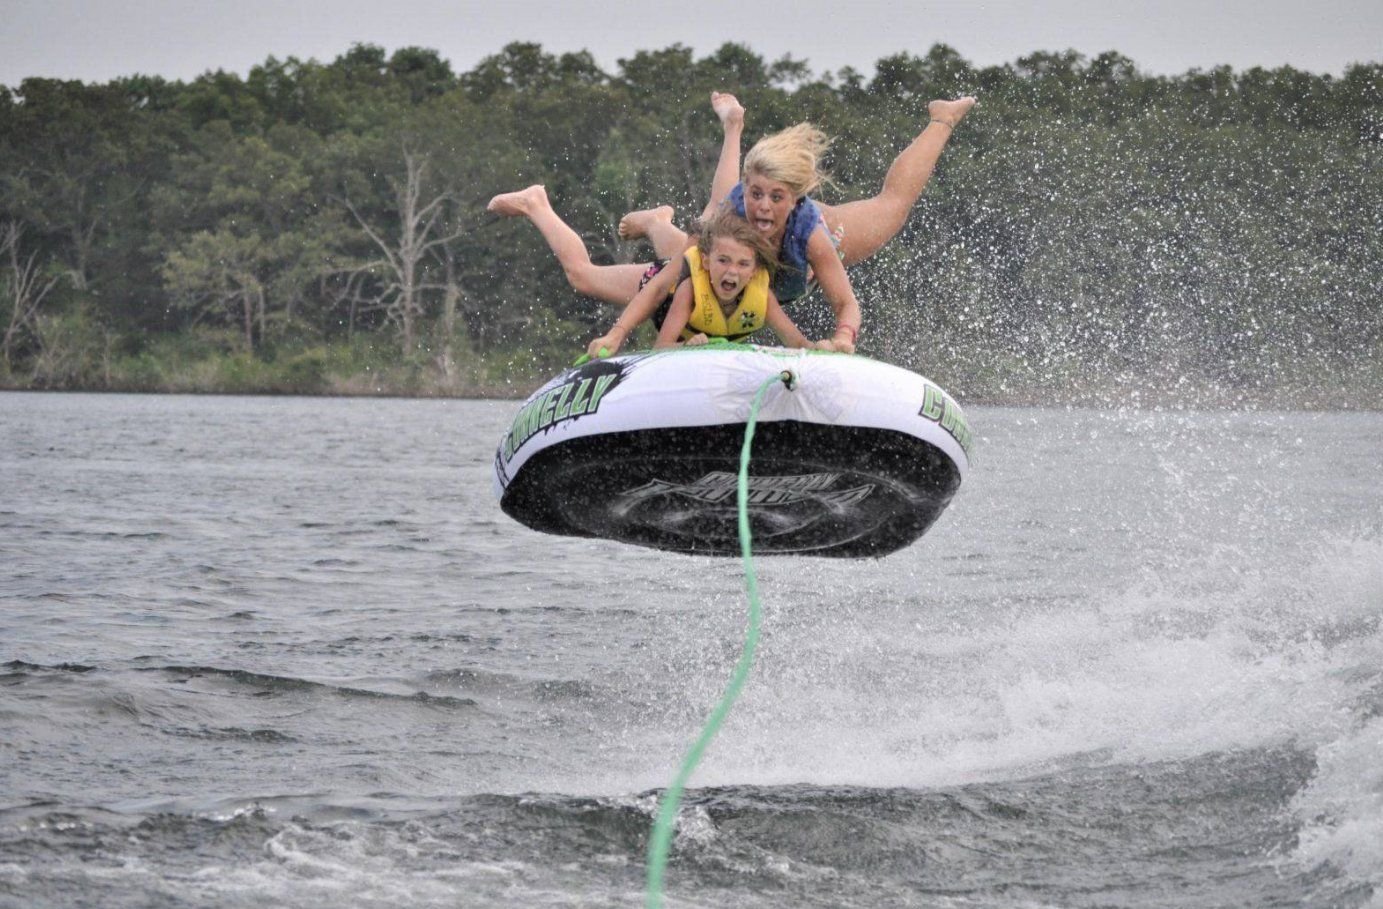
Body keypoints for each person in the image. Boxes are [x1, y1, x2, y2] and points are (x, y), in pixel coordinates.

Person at [621, 92, 977, 353]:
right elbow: (666, 282)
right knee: (693, 247)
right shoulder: (731, 216)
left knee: (893, 207)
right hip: (729, 227)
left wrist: (842, 338)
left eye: (776, 199)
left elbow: (846, 304)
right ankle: (661, 215)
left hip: (815, 242)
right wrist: (619, 334)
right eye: (755, 195)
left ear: (794, 200)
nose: (763, 208)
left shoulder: (811, 236)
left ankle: (942, 118)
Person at [586, 209, 826, 358]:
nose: (732, 271)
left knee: (689, 245)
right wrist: (687, 347)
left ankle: (657, 221)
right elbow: (661, 347)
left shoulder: (761, 295)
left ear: (754, 271)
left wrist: (820, 349)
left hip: (699, 256)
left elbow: (797, 343)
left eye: (743, 265)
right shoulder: (690, 289)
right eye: (724, 261)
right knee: (582, 276)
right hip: (663, 294)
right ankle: (545, 205)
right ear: (707, 262)